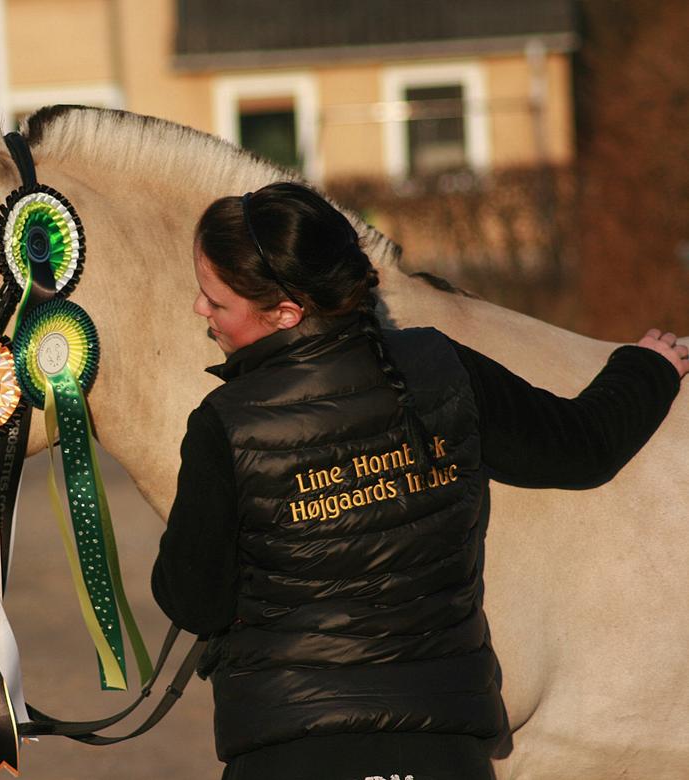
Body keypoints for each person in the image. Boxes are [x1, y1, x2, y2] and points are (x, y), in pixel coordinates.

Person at [151, 182, 687, 780]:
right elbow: (581, 448)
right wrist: (648, 368)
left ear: (286, 313)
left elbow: (193, 600)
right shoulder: (439, 365)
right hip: (444, 750)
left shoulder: (226, 422)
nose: (202, 312)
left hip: (293, 750)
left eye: (215, 302)